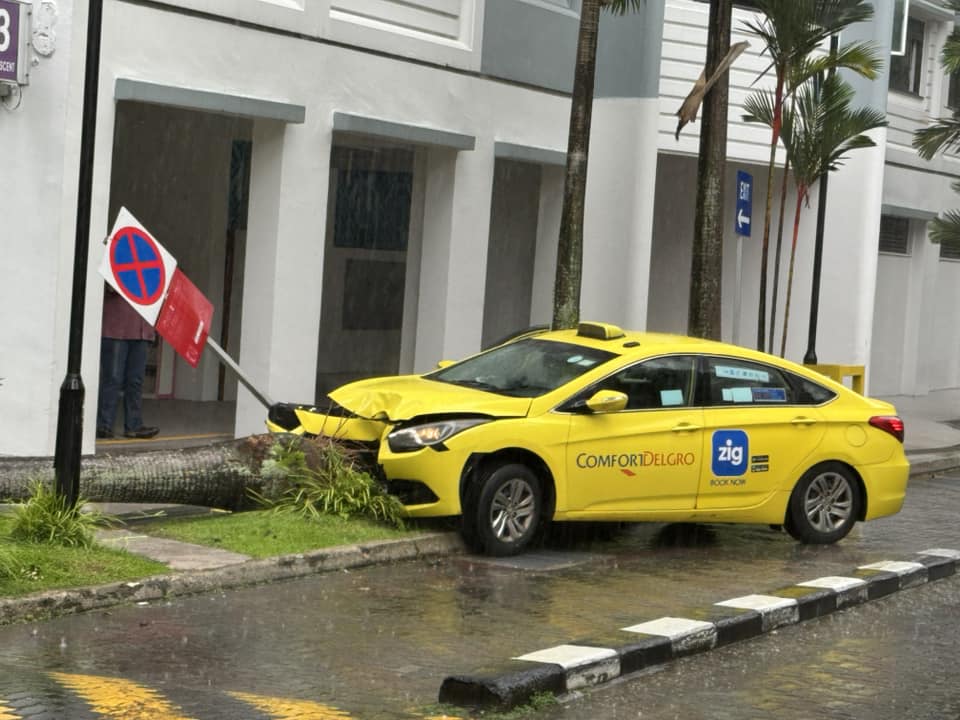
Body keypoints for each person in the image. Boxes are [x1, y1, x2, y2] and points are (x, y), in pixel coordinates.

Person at [96, 286, 160, 439]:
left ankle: (134, 426)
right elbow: (111, 286)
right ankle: (104, 425)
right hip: (116, 327)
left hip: (143, 329)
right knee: (112, 379)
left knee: (135, 381)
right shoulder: (117, 260)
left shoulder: (153, 263)